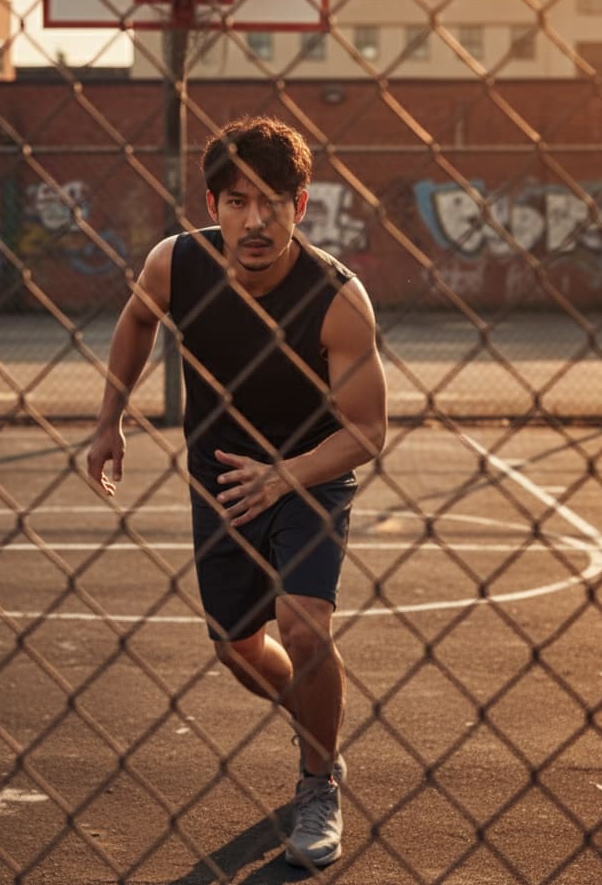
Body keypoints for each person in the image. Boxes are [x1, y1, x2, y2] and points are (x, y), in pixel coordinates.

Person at [87, 115, 387, 868]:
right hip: (220, 476)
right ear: (213, 203)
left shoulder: (337, 297)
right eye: (238, 199)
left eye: (274, 201)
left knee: (305, 625)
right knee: (237, 648)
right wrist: (108, 421)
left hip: (311, 470)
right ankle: (320, 721)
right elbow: (134, 321)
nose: (257, 219)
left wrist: (285, 474)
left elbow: (366, 432)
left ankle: (318, 781)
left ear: (302, 203)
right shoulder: (175, 264)